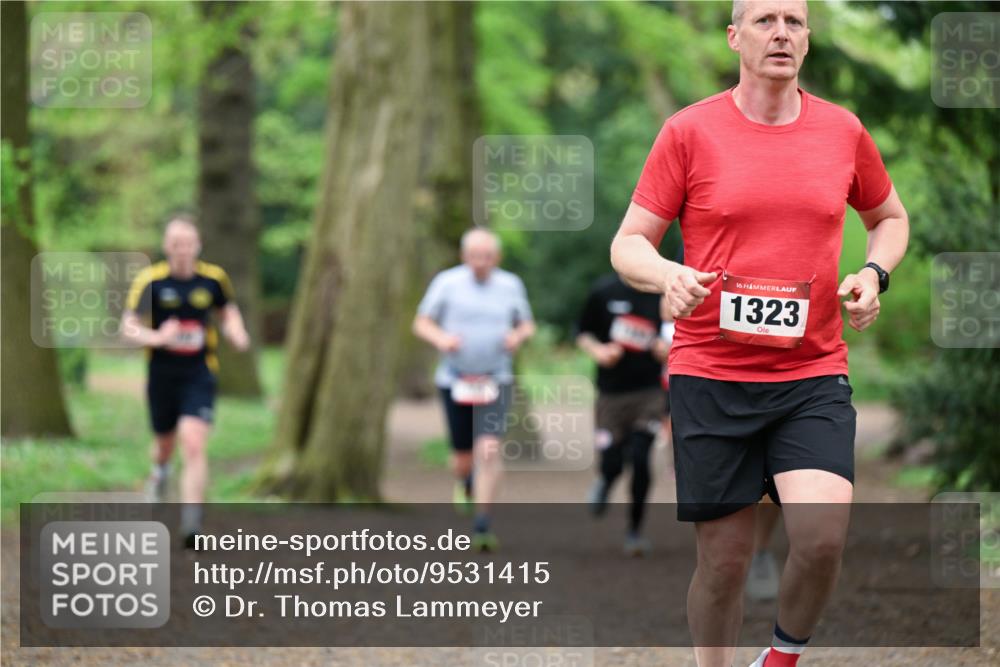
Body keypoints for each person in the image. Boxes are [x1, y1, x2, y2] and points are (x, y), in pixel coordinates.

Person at [609, 1, 909, 665]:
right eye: (765, 19)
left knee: (823, 536)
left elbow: (889, 216)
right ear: (734, 36)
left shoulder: (843, 131)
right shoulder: (689, 132)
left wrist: (873, 272)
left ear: (808, 39)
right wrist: (666, 275)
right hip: (711, 374)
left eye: (795, 21)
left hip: (811, 372)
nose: (781, 32)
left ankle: (779, 657)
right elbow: (628, 242)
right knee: (724, 560)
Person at [122, 215, 250, 548]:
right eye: (176, 244)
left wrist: (236, 331)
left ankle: (192, 522)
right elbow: (128, 327)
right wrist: (157, 336)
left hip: (199, 373)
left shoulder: (213, 279)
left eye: (188, 244)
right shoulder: (150, 280)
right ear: (166, 246)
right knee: (165, 444)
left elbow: (227, 310)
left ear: (198, 246)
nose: (182, 250)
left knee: (193, 441)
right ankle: (160, 472)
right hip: (162, 374)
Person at [412, 228, 535, 552]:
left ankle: (482, 523)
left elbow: (526, 323)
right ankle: (464, 482)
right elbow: (421, 322)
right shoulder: (447, 283)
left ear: (497, 257)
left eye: (487, 256)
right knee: (463, 459)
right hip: (456, 379)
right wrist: (442, 339)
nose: (480, 262)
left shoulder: (510, 285)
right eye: (474, 256)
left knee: (490, 449)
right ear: (464, 256)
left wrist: (516, 337)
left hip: (496, 378)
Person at [576, 274, 668, 556]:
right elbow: (582, 332)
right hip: (611, 395)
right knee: (613, 461)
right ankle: (605, 479)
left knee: (641, 457)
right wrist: (599, 351)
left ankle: (634, 531)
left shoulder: (663, 293)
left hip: (649, 393)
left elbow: (677, 334)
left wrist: (666, 349)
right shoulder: (603, 291)